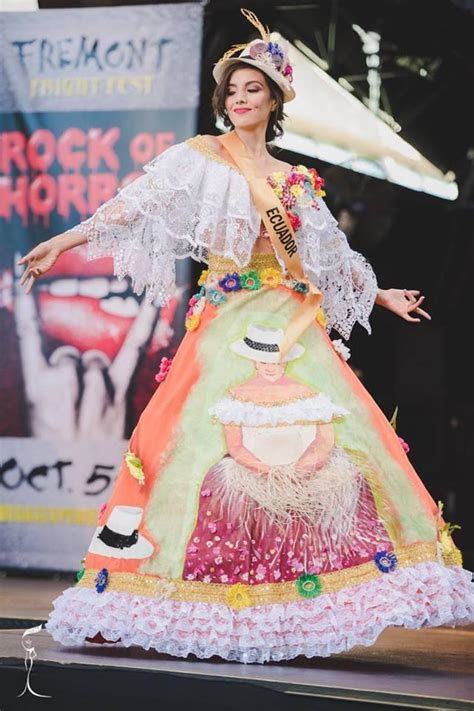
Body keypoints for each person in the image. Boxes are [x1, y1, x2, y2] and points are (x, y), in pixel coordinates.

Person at [19, 9, 474, 663]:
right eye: (232, 89)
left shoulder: (294, 182)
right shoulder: (202, 159)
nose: (239, 99)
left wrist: (380, 293)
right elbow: (133, 205)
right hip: (228, 326)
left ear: (274, 99)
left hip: (289, 326)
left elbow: (332, 256)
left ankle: (296, 602)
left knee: (315, 456)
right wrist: (63, 242)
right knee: (200, 455)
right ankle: (187, 595)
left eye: (251, 88)